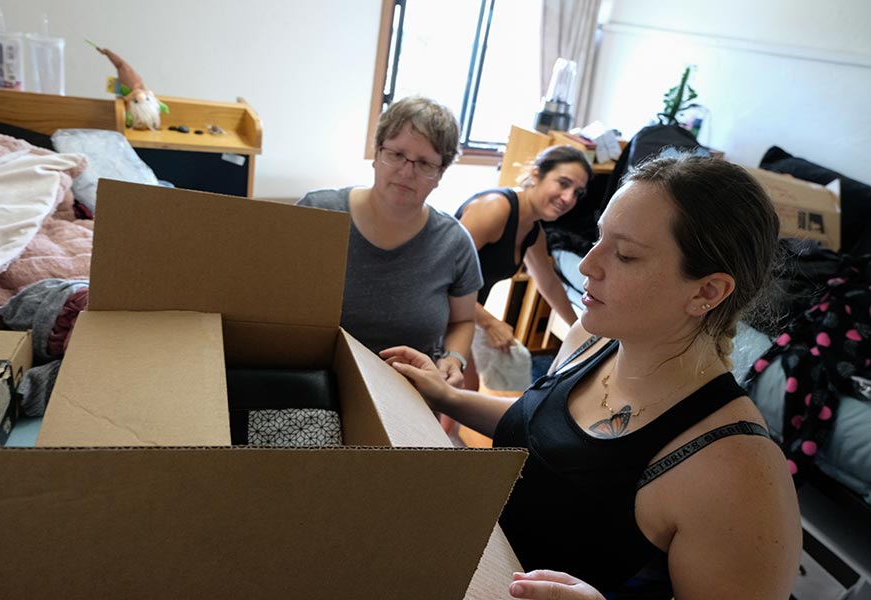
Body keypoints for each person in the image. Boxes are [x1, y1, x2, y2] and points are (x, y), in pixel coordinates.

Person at [381, 154, 802, 599]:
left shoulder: (737, 471)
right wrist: (448, 396)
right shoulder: (592, 337)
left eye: (624, 255)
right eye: (599, 239)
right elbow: (544, 429)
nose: (587, 265)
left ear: (706, 292)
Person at [297, 96, 481, 387]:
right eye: (396, 154)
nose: (406, 172)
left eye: (424, 163)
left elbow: (463, 321)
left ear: (440, 174)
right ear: (376, 154)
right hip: (312, 383)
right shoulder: (318, 213)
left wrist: (453, 357)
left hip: (406, 392)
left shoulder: (454, 243)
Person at [455, 145, 592, 391]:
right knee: (457, 387)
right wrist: (489, 322)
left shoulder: (532, 231)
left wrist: (578, 332)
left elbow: (548, 282)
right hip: (435, 307)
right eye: (563, 183)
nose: (569, 198)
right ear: (537, 174)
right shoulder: (495, 209)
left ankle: (448, 431)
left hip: (462, 314)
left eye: (577, 193)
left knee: (464, 390)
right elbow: (442, 274)